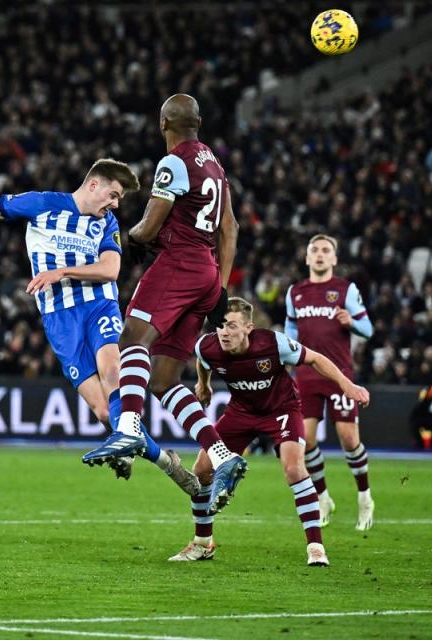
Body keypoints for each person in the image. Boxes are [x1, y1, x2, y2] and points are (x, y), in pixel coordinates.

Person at [0, 159, 199, 495]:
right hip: (59, 319)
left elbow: (110, 268)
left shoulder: (106, 222)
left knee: (112, 371)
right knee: (104, 411)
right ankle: (167, 463)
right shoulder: (41, 204)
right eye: (113, 194)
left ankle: (129, 441)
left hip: (97, 305)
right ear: (93, 185)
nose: (115, 204)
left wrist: (62, 272)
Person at [82, 94, 244, 513]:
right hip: (206, 271)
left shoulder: (174, 162)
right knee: (163, 380)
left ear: (162, 124)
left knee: (131, 338)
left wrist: (128, 239)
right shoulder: (215, 164)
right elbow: (230, 227)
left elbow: (151, 223)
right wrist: (220, 289)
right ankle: (223, 455)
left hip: (179, 265)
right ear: (199, 122)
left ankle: (129, 427)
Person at [170, 297, 369, 566]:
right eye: (220, 326)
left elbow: (316, 359)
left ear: (248, 327)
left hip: (282, 410)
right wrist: (203, 386)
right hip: (240, 412)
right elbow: (203, 363)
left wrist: (347, 386)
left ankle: (316, 546)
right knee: (202, 469)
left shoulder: (274, 344)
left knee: (293, 469)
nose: (223, 333)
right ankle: (203, 543)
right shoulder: (207, 346)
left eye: (231, 326)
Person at [286, 234, 375, 530]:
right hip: (306, 375)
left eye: (326, 250)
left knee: (348, 437)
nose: (320, 254)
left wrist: (352, 322)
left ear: (334, 259)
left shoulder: (345, 290)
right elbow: (290, 336)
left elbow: (369, 329)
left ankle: (364, 497)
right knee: (306, 440)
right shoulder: (295, 292)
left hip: (338, 375)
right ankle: (323, 496)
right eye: (315, 250)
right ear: (307, 257)